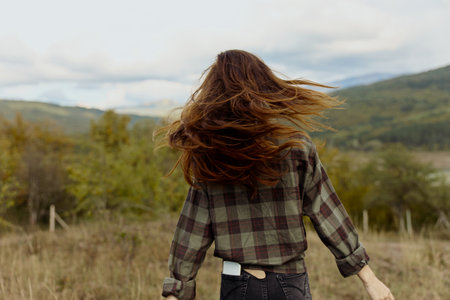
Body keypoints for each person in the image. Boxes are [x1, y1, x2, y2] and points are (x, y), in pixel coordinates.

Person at [158, 50, 394, 300]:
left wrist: (176, 290)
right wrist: (369, 278)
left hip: (238, 285)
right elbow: (327, 213)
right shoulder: (297, 147)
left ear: (214, 92)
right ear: (263, 84)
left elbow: (192, 229)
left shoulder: (209, 155)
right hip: (291, 284)